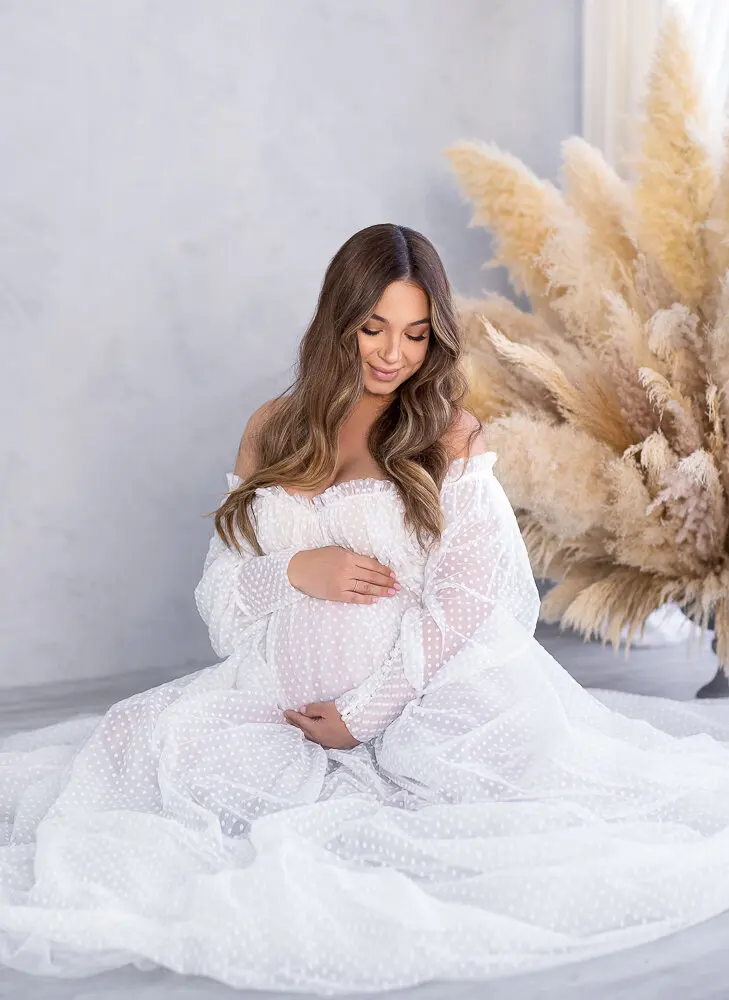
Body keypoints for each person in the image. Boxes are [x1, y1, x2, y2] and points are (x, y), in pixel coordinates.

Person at [4, 224, 729, 995]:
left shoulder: (447, 432)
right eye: (372, 328)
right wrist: (294, 571)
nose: (393, 353)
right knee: (136, 751)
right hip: (279, 704)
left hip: (426, 702)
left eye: (416, 334)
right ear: (336, 321)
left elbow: (468, 596)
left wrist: (367, 711)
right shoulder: (274, 426)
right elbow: (221, 594)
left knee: (492, 828)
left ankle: (381, 769)